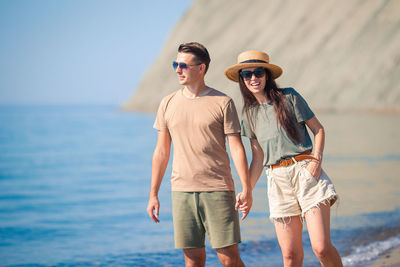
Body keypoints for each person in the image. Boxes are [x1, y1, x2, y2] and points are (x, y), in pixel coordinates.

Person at [224, 50, 343, 267]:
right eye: (247, 75)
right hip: (277, 181)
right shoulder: (248, 115)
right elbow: (258, 158)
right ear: (242, 79)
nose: (253, 78)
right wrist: (247, 190)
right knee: (290, 255)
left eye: (258, 72)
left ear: (267, 75)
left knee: (321, 247)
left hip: (306, 173)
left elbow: (318, 129)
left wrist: (316, 161)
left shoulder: (289, 97)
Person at [147, 42, 253, 267]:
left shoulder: (222, 102)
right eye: (176, 64)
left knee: (228, 257)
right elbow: (161, 151)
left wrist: (246, 188)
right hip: (182, 191)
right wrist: (153, 193)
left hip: (218, 189)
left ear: (201, 68)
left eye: (183, 65)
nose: (177, 70)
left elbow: (236, 147)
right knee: (192, 259)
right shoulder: (167, 103)